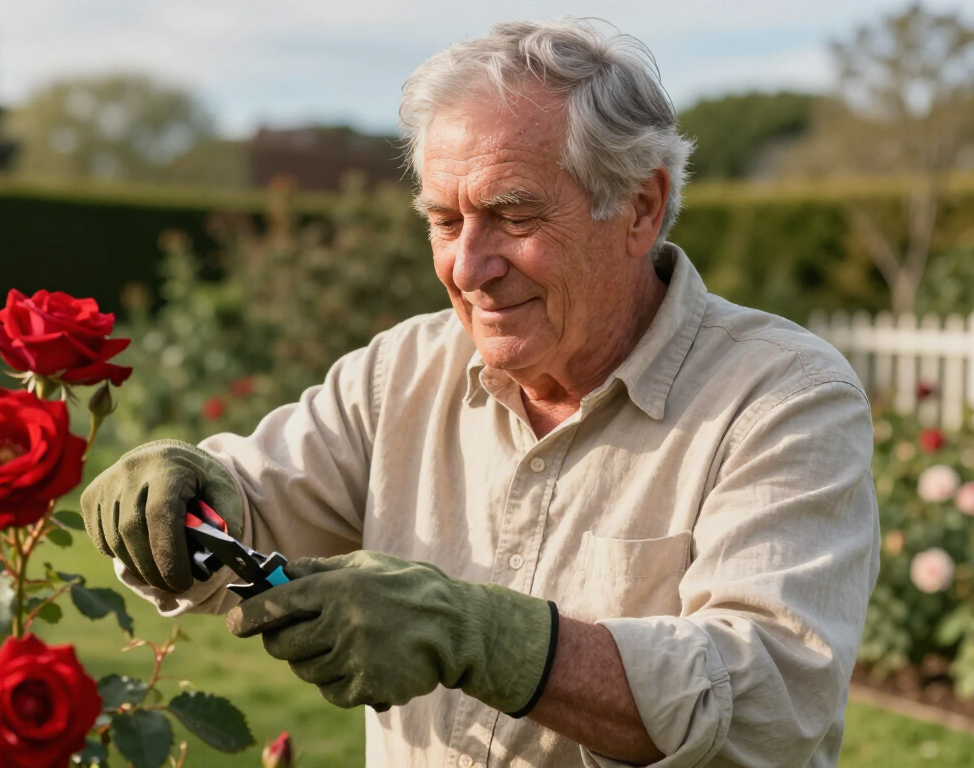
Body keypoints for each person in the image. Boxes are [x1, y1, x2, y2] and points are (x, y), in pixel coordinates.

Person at [81, 18, 879, 768]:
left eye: (512, 215)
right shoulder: (404, 369)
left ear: (640, 207)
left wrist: (489, 639)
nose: (468, 266)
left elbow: (769, 704)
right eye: (444, 220)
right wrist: (183, 487)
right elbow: (250, 504)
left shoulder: (780, 397)